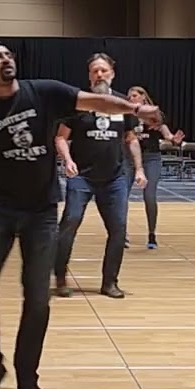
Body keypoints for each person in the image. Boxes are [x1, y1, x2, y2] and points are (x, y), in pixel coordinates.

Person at [0, 42, 163, 389]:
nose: (5, 59)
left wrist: (135, 109)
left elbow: (97, 102)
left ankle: (27, 376)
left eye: (8, 54)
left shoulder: (44, 92)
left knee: (38, 297)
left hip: (40, 211)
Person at [52, 54, 142, 299]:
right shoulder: (78, 103)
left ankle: (110, 282)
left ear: (112, 73)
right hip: (81, 176)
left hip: (114, 178)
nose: (99, 75)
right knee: (70, 222)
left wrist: (139, 168)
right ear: (89, 75)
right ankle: (60, 276)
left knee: (119, 229)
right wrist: (68, 160)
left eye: (103, 70)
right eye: (95, 71)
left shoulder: (124, 103)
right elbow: (60, 137)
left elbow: (131, 139)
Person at [124, 86, 184, 249]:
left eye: (134, 96)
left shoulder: (155, 115)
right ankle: (122, 233)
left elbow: (167, 134)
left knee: (149, 196)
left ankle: (152, 234)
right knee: (121, 196)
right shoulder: (126, 114)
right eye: (129, 97)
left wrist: (174, 140)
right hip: (129, 159)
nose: (131, 99)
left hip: (151, 158)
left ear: (143, 97)